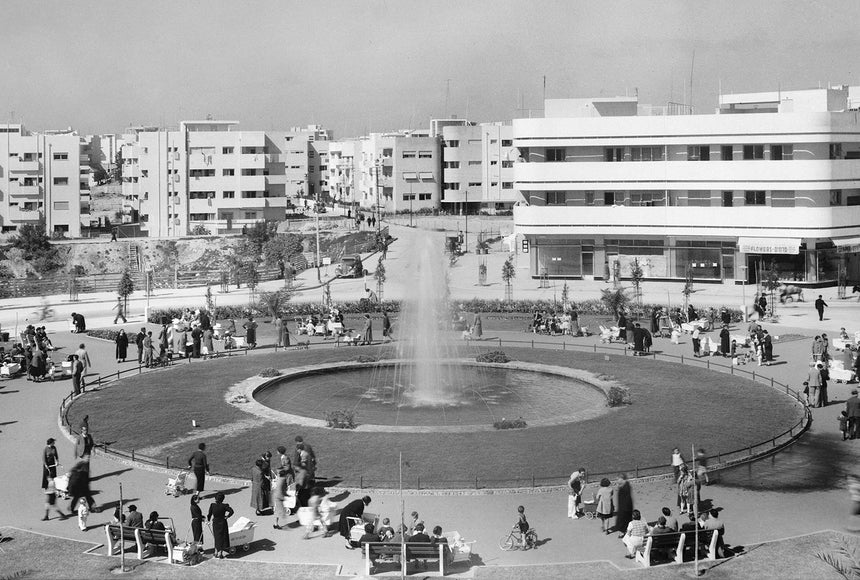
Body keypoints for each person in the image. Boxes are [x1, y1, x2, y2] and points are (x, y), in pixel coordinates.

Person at [207, 492, 234, 559]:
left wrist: (208, 520)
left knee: (217, 537)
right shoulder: (224, 506)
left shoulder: (212, 505)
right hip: (222, 522)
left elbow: (209, 514)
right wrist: (227, 517)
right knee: (222, 538)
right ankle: (220, 553)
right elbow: (231, 511)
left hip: (215, 523)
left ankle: (216, 552)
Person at [615, 473, 633, 538]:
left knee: (624, 520)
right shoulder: (625, 485)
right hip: (624, 506)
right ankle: (625, 532)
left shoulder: (625, 486)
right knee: (625, 520)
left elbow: (626, 498)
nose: (617, 480)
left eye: (618, 479)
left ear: (621, 479)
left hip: (625, 507)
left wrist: (624, 508)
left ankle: (623, 532)